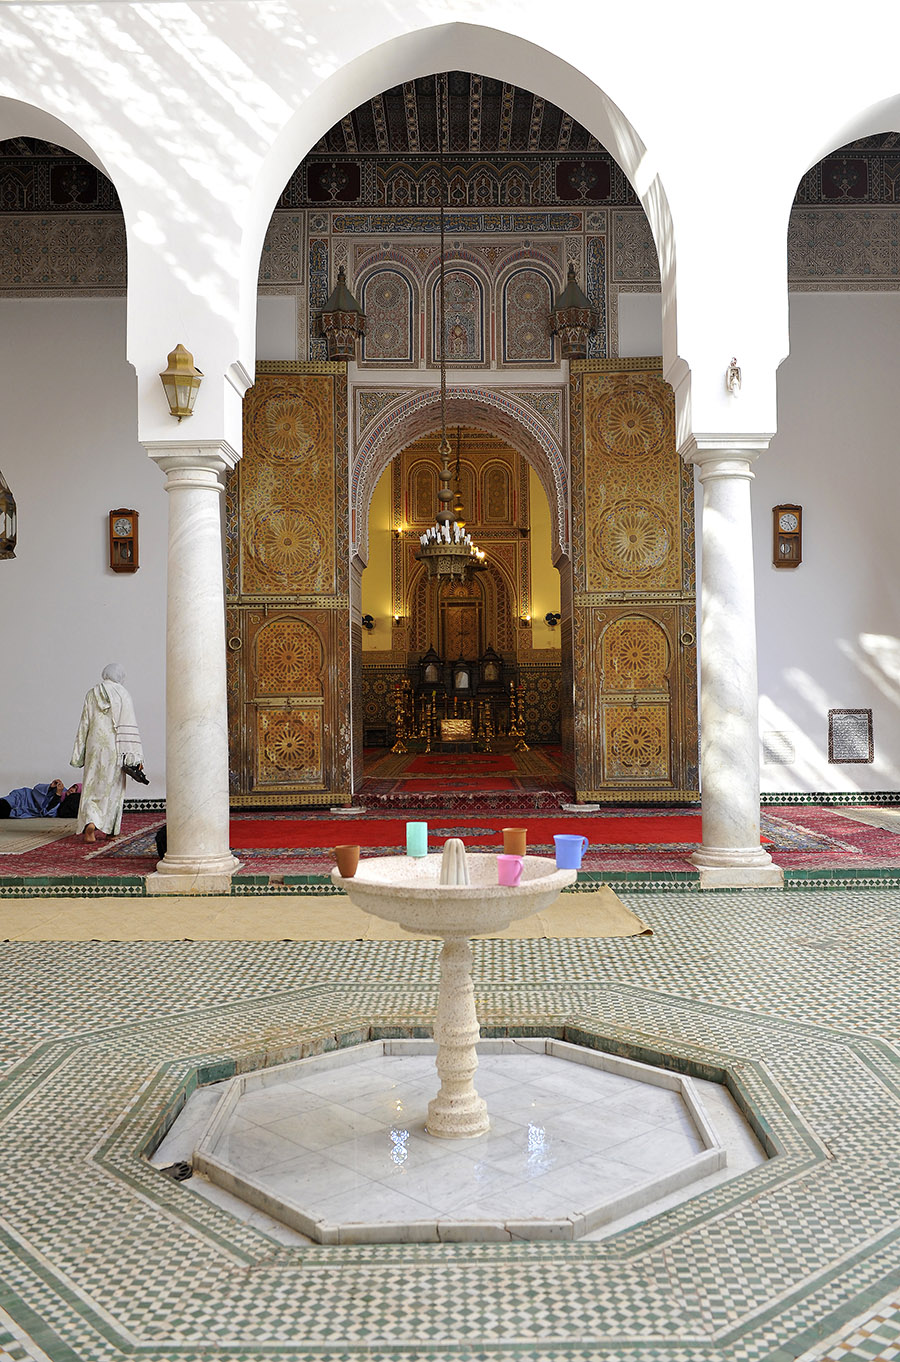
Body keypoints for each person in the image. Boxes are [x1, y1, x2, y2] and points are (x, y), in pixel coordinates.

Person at [70, 663, 146, 843]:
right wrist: (135, 756)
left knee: (91, 785)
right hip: (115, 746)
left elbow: (84, 724)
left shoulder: (91, 694)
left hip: (94, 746)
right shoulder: (123, 695)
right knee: (114, 787)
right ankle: (111, 830)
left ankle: (90, 823)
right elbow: (129, 727)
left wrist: (78, 754)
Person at [0, 780, 81, 818]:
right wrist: (50, 787)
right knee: (3, 805)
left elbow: (48, 812)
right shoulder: (61, 788)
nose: (72, 789)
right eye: (73, 786)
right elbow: (36, 789)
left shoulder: (65, 806)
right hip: (23, 797)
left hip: (25, 811)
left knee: (4, 813)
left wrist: (58, 795)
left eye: (76, 790)